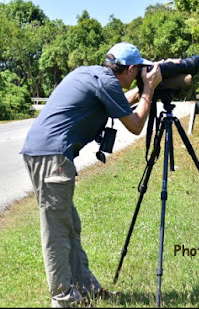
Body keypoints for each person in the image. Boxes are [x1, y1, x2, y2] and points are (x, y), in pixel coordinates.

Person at [20, 42, 171, 308]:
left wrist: (141, 91)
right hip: (51, 157)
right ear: (131, 68)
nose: (138, 77)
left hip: (44, 153)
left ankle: (87, 289)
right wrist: (148, 89)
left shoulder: (91, 74)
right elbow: (135, 125)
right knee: (57, 230)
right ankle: (64, 299)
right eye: (138, 73)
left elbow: (117, 104)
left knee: (70, 226)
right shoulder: (107, 83)